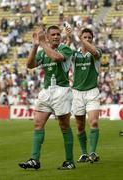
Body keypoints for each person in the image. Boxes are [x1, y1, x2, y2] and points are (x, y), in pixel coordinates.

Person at [18, 25, 75, 170]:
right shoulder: (42, 52)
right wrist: (36, 46)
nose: (56, 36)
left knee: (64, 126)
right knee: (38, 124)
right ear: (48, 37)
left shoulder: (65, 49)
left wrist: (43, 43)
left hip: (61, 91)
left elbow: (56, 58)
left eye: (58, 34)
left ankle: (69, 161)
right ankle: (34, 160)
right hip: (46, 91)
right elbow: (30, 65)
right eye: (53, 35)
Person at [66, 27, 102, 163]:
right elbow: (63, 53)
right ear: (81, 38)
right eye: (85, 37)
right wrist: (69, 38)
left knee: (93, 121)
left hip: (92, 92)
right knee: (80, 125)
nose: (87, 39)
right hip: (77, 93)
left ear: (92, 39)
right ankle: (84, 153)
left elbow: (93, 51)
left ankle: (93, 152)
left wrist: (81, 40)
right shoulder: (75, 54)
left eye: (89, 38)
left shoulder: (96, 52)